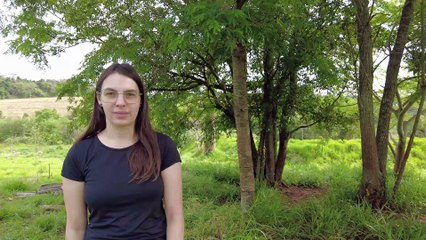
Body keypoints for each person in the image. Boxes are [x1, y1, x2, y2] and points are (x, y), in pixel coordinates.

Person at [61, 63, 184, 240]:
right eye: (111, 93)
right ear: (99, 98)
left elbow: (175, 217)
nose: (121, 102)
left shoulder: (163, 147)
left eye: (130, 94)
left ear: (140, 100)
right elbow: (75, 227)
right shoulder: (79, 154)